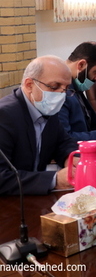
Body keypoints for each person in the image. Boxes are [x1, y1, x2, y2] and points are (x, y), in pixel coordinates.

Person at [0, 56, 78, 195]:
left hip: (35, 196)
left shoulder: (46, 107)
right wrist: (54, 180)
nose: (61, 95)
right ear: (29, 85)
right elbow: (1, 177)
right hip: (10, 200)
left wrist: (71, 158)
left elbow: (63, 142)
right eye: (54, 86)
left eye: (66, 88)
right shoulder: (4, 116)